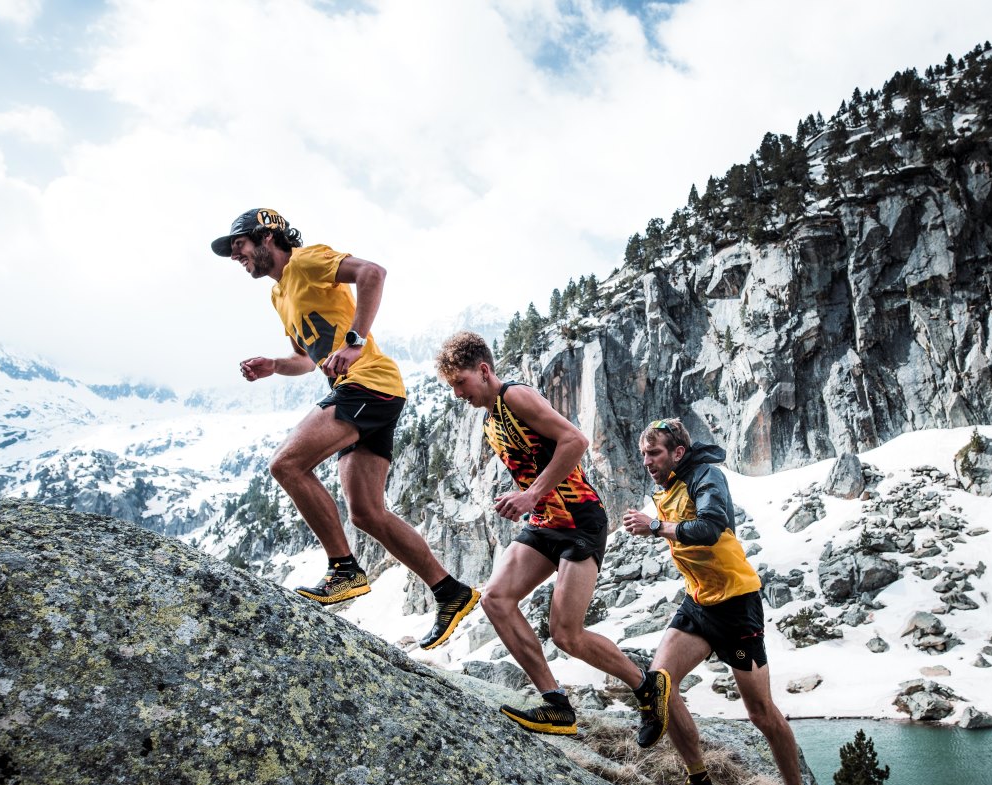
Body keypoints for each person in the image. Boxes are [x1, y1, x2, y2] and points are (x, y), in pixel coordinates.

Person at [210, 208, 478, 650]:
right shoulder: (279, 295)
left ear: (267, 236)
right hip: (374, 392)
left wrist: (355, 342)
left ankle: (344, 570)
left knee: (286, 465)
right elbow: (306, 357)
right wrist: (275, 365)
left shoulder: (308, 261)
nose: (235, 255)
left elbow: (374, 272)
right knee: (366, 513)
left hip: (366, 384)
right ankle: (451, 592)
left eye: (238, 244)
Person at [435, 331, 670, 738]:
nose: (458, 394)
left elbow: (575, 441)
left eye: (460, 382)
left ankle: (647, 688)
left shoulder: (515, 397)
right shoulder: (491, 419)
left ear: (484, 371)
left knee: (566, 633)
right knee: (495, 598)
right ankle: (556, 704)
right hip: (546, 521)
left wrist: (529, 495)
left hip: (580, 518)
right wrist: (525, 499)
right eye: (452, 386)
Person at [622, 419, 820, 785]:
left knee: (761, 712)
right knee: (661, 684)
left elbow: (710, 527)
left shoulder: (706, 476)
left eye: (655, 453)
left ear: (678, 453)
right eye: (644, 454)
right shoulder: (668, 485)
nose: (647, 461)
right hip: (698, 602)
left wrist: (655, 526)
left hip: (735, 607)